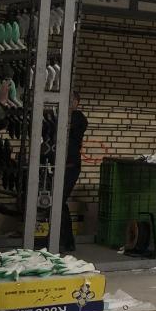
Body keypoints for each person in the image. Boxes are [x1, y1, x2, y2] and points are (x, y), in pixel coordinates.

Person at [60, 92, 88, 254]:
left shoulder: (78, 118)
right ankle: (62, 239)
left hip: (71, 167)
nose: (68, 103)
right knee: (57, 202)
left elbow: (67, 126)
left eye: (71, 101)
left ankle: (67, 242)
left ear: (77, 102)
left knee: (60, 201)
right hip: (60, 166)